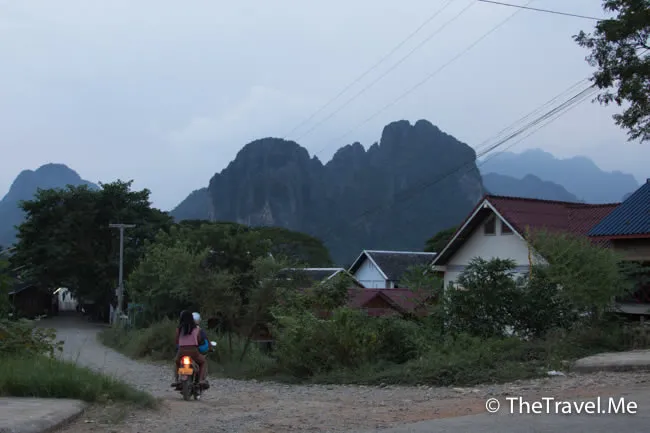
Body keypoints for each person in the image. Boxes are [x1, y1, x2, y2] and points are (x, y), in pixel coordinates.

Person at [172, 310, 207, 386]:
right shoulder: (197, 329)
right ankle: (201, 380)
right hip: (193, 351)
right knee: (203, 362)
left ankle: (177, 380)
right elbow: (199, 340)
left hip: (181, 351)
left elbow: (176, 341)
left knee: (177, 362)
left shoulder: (179, 329)